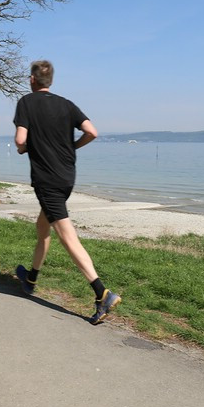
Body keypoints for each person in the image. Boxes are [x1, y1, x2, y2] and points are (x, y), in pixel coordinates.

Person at [13, 59, 121, 325]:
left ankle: (102, 293)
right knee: (43, 227)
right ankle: (31, 277)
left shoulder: (26, 102)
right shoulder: (66, 104)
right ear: (50, 81)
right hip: (66, 176)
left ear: (31, 79)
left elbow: (20, 139)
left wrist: (25, 148)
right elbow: (92, 132)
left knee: (67, 237)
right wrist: (72, 146)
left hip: (46, 180)